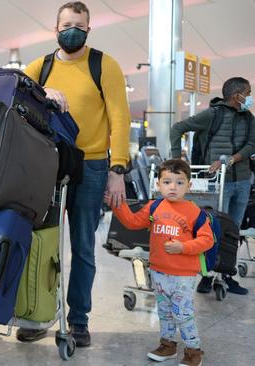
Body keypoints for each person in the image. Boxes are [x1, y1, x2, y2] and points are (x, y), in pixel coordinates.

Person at [21, 1, 131, 346]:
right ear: (55, 29)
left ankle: (78, 319)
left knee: (83, 247)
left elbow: (120, 118)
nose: (73, 31)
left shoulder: (103, 64)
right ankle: (37, 312)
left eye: (80, 26)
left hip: (92, 165)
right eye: (67, 24)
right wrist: (42, 92)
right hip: (48, 163)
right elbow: (18, 104)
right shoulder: (40, 66)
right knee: (41, 242)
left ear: (88, 29)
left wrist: (118, 170)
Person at [109, 160, 212, 366]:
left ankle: (193, 351)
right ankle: (168, 345)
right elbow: (132, 221)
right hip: (158, 271)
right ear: (158, 185)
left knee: (183, 314)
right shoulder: (154, 206)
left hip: (183, 275)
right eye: (167, 182)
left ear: (189, 186)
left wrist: (183, 247)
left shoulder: (195, 213)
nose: (173, 187)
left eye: (179, 183)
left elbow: (207, 240)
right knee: (164, 313)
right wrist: (117, 204)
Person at [170, 77, 254, 295]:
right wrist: (177, 160)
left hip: (243, 180)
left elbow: (253, 143)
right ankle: (207, 276)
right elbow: (178, 128)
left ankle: (227, 276)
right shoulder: (213, 114)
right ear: (238, 95)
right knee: (214, 231)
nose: (250, 96)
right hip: (219, 184)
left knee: (234, 233)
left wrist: (233, 159)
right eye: (248, 92)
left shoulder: (248, 117)